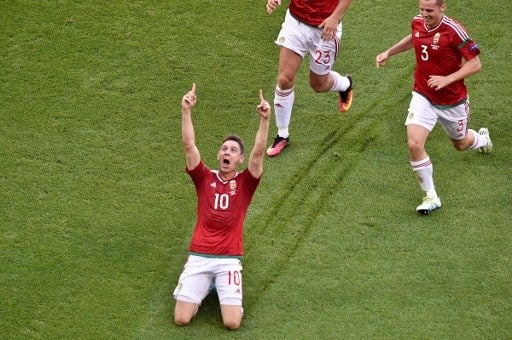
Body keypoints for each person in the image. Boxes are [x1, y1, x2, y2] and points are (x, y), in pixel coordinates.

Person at [375, 0, 493, 215]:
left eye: (429, 10)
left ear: (442, 7)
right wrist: (389, 52)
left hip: (452, 101)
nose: (424, 14)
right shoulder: (418, 22)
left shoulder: (454, 30)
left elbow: (475, 63)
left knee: (461, 143)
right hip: (423, 94)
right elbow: (415, 38)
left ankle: (483, 139)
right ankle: (431, 196)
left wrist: (447, 79)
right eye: (421, 9)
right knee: (414, 143)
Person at [173, 83, 271, 330]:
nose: (228, 152)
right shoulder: (204, 177)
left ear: (239, 159)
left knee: (231, 323)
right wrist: (186, 111)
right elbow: (189, 146)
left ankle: (217, 285)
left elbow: (259, 154)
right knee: (181, 319)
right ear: (218, 155)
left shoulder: (246, 183)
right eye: (224, 149)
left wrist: (265, 119)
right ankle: (204, 287)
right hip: (199, 256)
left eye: (234, 150)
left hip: (229, 259)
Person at [265, 0, 354, 157]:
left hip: (325, 29)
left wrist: (335, 17)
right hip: (295, 22)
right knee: (285, 79)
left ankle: (345, 84)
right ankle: (282, 134)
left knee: (318, 85)